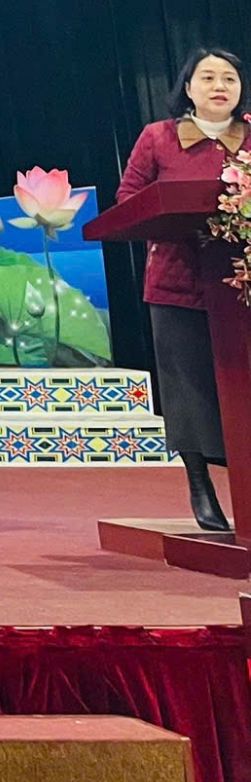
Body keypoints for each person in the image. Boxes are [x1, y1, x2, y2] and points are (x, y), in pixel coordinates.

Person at [120, 47, 248, 533]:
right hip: (177, 283)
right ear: (188, 88)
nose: (220, 86)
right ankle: (201, 484)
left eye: (229, 78)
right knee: (189, 387)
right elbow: (129, 200)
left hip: (241, 285)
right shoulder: (159, 137)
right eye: (208, 77)